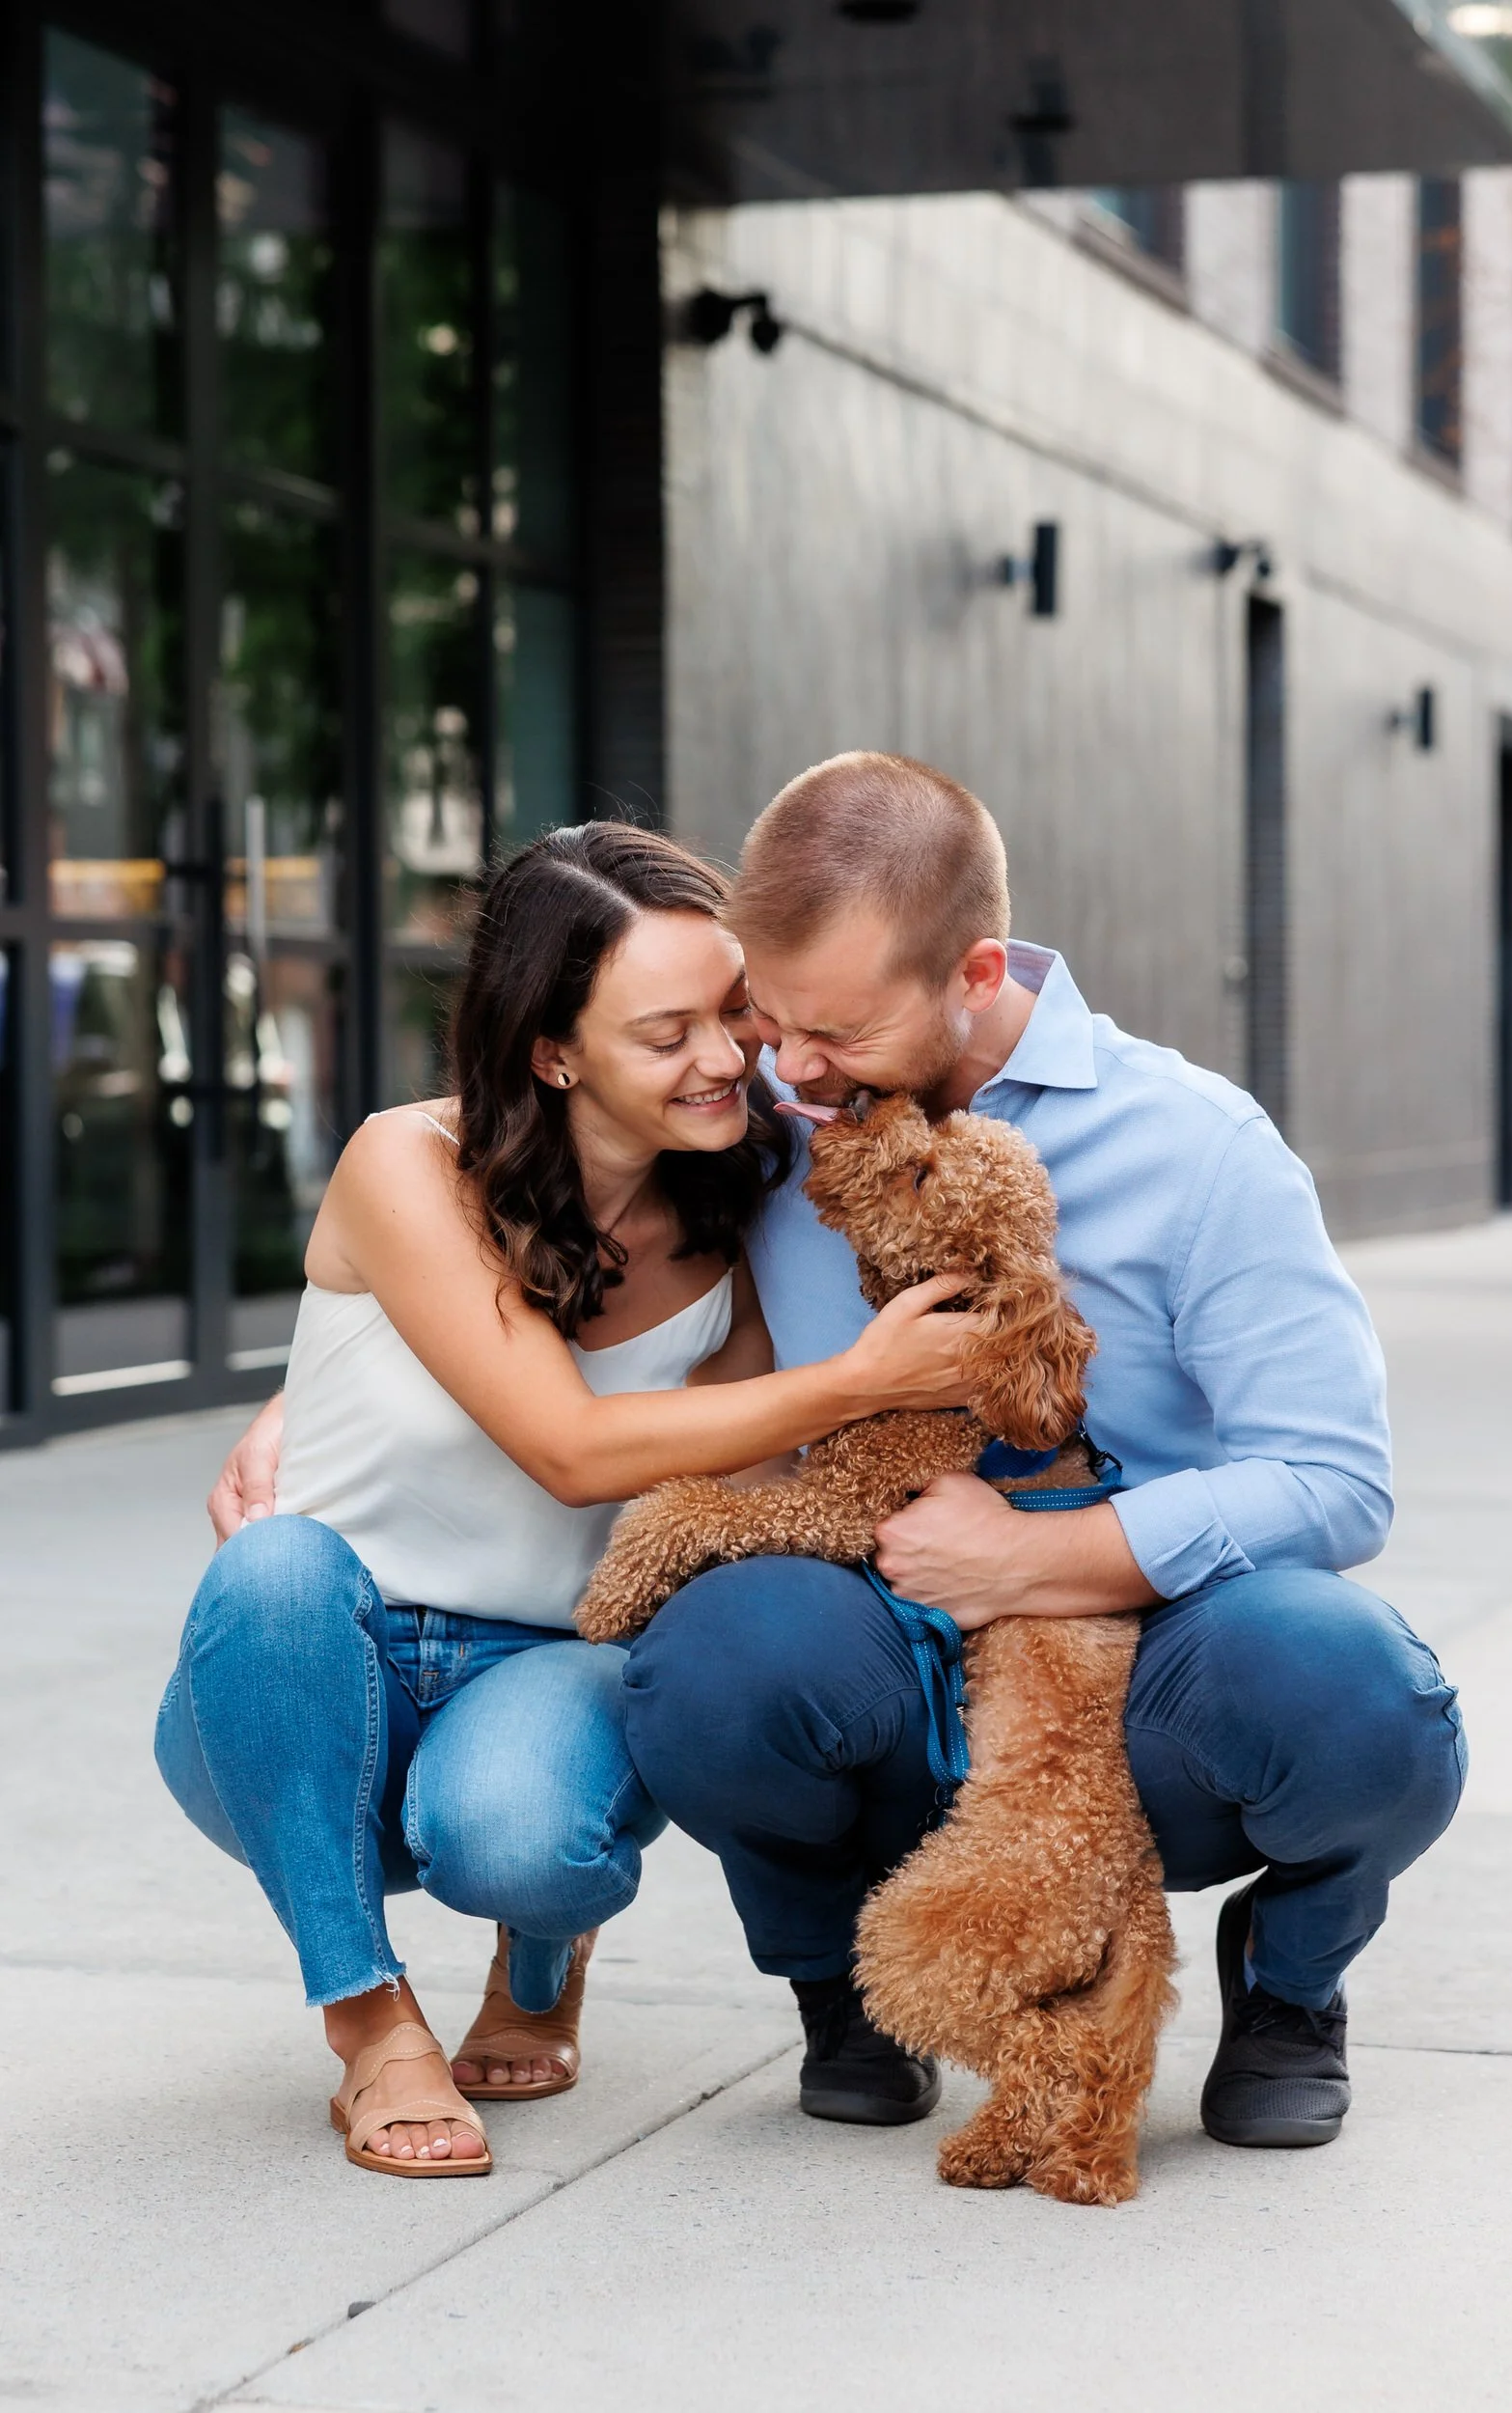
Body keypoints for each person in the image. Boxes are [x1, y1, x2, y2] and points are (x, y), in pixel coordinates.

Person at [213, 754, 1466, 2156]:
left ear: (974, 970)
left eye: (830, 1035)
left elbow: (1337, 1479)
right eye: (766, 1018)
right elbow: (491, 1264)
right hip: (869, 1638)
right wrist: (300, 1404)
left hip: (1136, 1674)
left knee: (1354, 1688)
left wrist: (1040, 1556)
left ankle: (1289, 1988)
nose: (778, 1070)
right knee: (714, 1658)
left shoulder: (1200, 1150)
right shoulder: (762, 1136)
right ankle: (838, 1988)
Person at [159, 821, 976, 2178]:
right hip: (310, 1662)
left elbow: (736, 1463)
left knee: (523, 1845)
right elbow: (566, 1446)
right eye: (666, 1036)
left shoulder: (753, 1197)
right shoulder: (404, 1163)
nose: (723, 1059)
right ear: (553, 1048)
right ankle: (371, 2027)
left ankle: (540, 1957)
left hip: (549, 1656)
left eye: (733, 1012)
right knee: (275, 1567)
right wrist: (855, 1381)